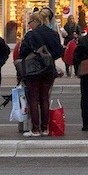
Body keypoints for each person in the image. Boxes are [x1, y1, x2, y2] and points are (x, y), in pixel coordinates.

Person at [18, 8, 64, 137]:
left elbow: (22, 53)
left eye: (30, 22)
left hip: (33, 70)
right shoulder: (53, 34)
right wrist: (48, 58)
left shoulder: (31, 35)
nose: (29, 25)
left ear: (35, 21)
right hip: (49, 69)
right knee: (44, 98)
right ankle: (45, 128)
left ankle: (35, 129)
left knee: (33, 98)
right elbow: (59, 51)